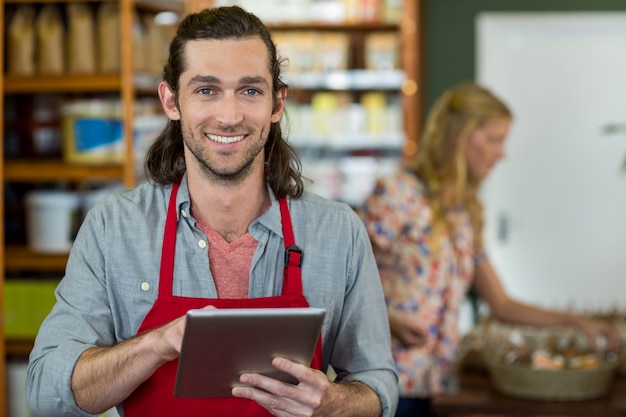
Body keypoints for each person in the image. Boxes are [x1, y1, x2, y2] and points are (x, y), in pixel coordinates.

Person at [26, 6, 398, 417]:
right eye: (206, 90)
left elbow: (378, 385)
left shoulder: (337, 232)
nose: (229, 115)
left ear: (277, 103)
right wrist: (154, 345)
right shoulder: (114, 227)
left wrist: (334, 404)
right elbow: (46, 391)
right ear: (171, 100)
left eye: (250, 90)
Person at [357, 82, 619, 417]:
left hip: (436, 386)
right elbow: (344, 280)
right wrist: (390, 320)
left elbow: (501, 304)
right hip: (387, 385)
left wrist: (577, 322)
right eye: (495, 139)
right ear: (459, 135)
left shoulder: (461, 212)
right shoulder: (396, 195)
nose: (502, 153)